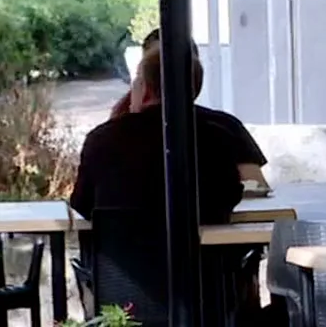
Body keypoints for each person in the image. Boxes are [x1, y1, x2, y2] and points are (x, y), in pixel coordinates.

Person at [71, 47, 248, 225]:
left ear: (145, 89)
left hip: (121, 251)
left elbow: (82, 203)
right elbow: (230, 196)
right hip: (202, 251)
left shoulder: (102, 139)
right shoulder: (217, 136)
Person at [109, 29, 271, 193]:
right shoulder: (224, 129)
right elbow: (256, 187)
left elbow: (255, 186)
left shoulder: (226, 128)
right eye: (154, 66)